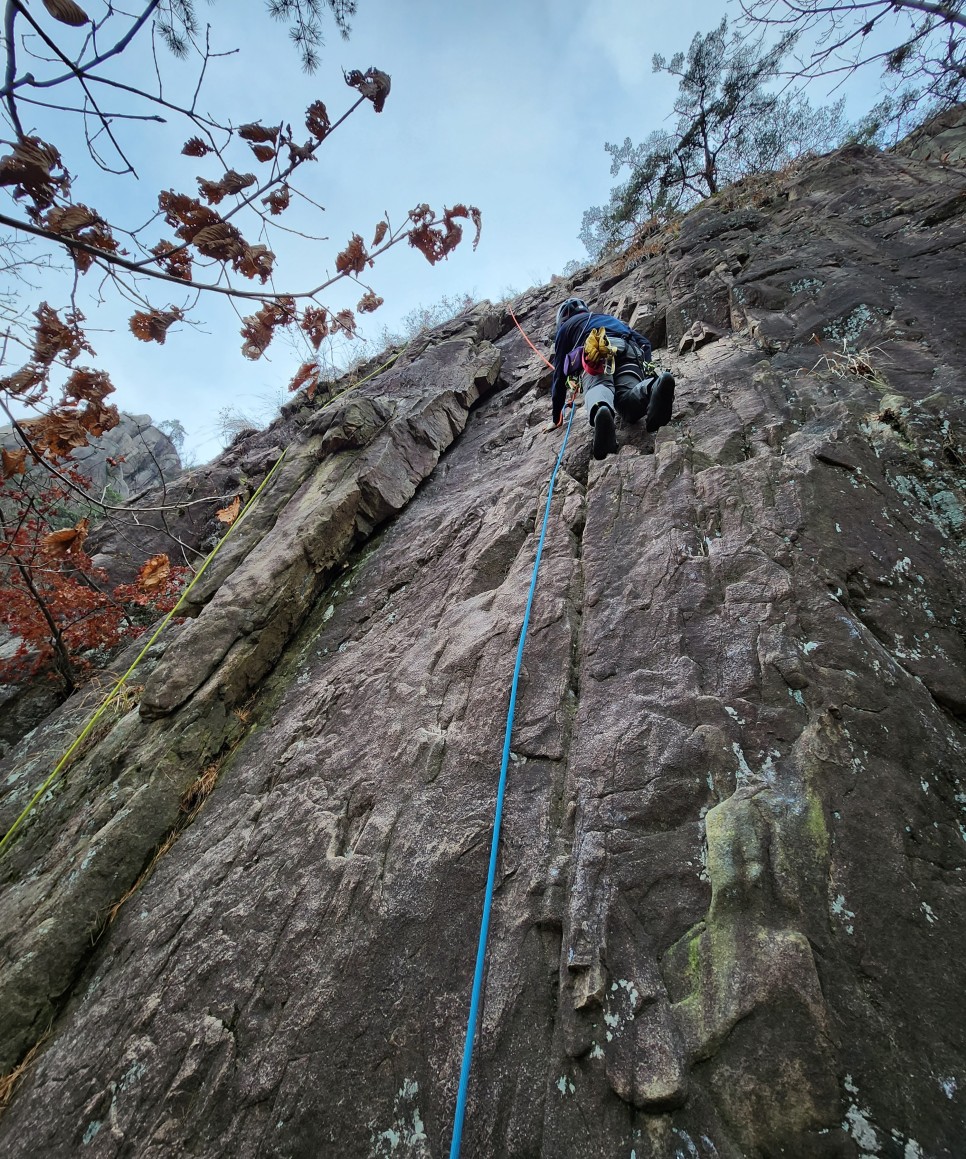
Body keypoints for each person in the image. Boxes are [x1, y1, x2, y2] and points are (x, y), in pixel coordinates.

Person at [550, 298, 675, 460]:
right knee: (627, 403)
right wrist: (646, 370)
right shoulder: (610, 319)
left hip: (596, 351)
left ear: (562, 319)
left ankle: (601, 409)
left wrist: (556, 416)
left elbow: (559, 375)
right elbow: (644, 343)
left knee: (598, 386)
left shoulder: (566, 328)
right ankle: (653, 387)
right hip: (629, 351)